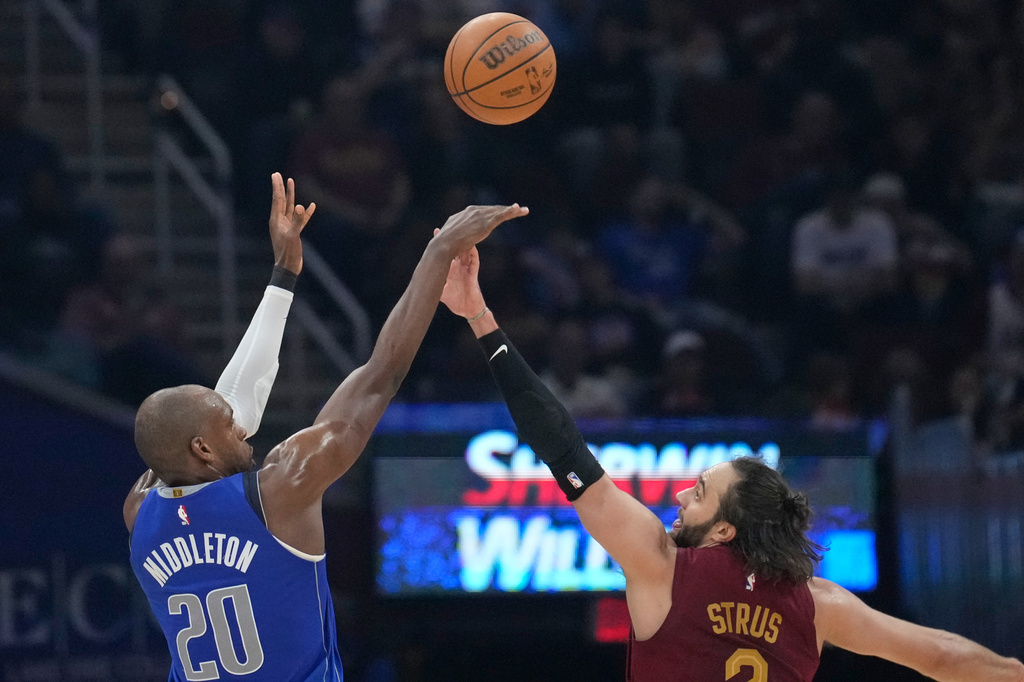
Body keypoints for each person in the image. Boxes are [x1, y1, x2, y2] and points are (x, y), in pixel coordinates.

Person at [438, 244, 1024, 682]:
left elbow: (560, 444)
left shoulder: (660, 565)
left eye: (697, 492)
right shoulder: (822, 604)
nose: (678, 498)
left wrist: (481, 321)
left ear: (723, 529)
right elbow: (946, 658)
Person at [124, 171, 526, 680]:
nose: (245, 429)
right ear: (203, 449)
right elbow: (382, 374)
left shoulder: (140, 510)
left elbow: (203, 425)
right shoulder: (281, 488)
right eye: (232, 428)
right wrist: (441, 248)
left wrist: (283, 279)